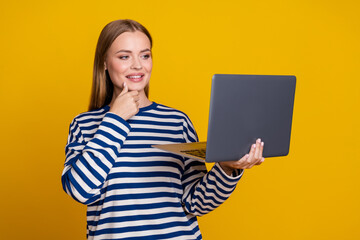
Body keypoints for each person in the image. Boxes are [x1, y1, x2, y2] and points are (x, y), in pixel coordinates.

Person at [61, 19, 265, 240]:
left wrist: (226, 169)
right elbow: (81, 191)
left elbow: (195, 202)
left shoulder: (177, 122)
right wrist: (115, 120)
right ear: (104, 62)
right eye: (124, 56)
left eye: (145, 55)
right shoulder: (84, 125)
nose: (138, 65)